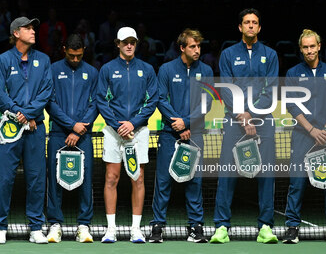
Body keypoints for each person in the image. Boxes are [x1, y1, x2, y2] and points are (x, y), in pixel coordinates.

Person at [211, 8, 279, 244]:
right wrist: (242, 115)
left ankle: (266, 227)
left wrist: (253, 114)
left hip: (264, 121)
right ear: (240, 27)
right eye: (247, 23)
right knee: (227, 173)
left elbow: (270, 90)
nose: (251, 26)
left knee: (267, 174)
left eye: (255, 23)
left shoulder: (270, 55)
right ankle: (221, 226)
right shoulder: (228, 54)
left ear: (259, 28)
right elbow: (227, 88)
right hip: (234, 121)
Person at [149, 28, 213, 243]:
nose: (197, 50)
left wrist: (186, 122)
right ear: (182, 48)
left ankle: (196, 226)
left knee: (194, 181)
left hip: (195, 133)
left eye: (199, 46)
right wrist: (177, 123)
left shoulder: (206, 70)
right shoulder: (166, 69)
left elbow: (207, 103)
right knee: (164, 181)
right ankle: (157, 225)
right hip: (169, 134)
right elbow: (160, 99)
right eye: (193, 46)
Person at [97, 27, 158, 243]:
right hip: (114, 132)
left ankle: (136, 229)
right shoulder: (107, 69)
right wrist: (117, 125)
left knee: (137, 178)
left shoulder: (147, 69)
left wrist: (133, 123)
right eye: (125, 42)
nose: (129, 45)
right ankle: (111, 229)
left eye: (132, 41)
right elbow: (101, 100)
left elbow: (152, 101)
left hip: (138, 132)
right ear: (117, 44)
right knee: (111, 177)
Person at [282, 29, 326, 244]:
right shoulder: (292, 73)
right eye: (305, 47)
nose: (309, 50)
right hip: (302, 135)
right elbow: (291, 105)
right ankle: (292, 228)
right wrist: (311, 130)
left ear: (319, 46)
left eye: (312, 46)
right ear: (301, 49)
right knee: (297, 181)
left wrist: (325, 130)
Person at [0, 16, 52, 244]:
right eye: (27, 28)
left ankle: (36, 227)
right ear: (16, 33)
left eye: (34, 28)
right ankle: (1, 226)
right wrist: (18, 113)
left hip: (35, 128)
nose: (33, 31)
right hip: (10, 127)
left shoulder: (44, 59)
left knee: (36, 179)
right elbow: (0, 92)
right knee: (4, 179)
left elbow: (46, 90)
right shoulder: (2, 59)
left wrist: (29, 114)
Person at [45, 34, 98, 243]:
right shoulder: (53, 69)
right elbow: (50, 102)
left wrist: (79, 129)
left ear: (84, 50)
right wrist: (70, 125)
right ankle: (55, 224)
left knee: (86, 180)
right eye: (71, 55)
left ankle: (84, 225)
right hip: (59, 133)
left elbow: (96, 103)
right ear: (64, 49)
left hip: (83, 134)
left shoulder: (93, 72)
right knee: (55, 180)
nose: (75, 59)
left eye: (78, 56)